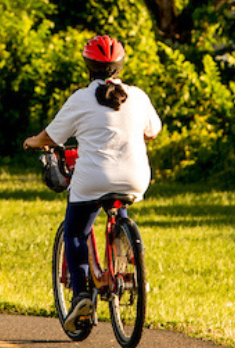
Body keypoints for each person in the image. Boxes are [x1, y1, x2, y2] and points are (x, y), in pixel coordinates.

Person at [22, 35, 162, 332]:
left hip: (93, 178)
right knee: (118, 208)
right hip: (136, 177)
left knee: (74, 232)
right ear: (120, 65)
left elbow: (51, 136)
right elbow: (153, 131)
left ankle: (82, 295)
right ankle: (124, 256)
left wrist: (33, 142)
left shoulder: (80, 99)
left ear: (89, 67)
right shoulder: (138, 96)